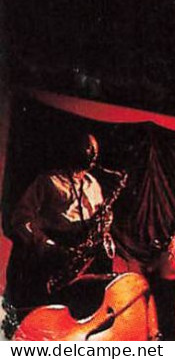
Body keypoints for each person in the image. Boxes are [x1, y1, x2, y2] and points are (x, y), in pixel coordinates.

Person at [3, 134, 120, 317]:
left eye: (94, 154)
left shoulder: (93, 184)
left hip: (81, 257)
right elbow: (20, 219)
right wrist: (47, 246)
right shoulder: (48, 181)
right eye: (88, 153)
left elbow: (99, 218)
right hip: (52, 258)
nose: (91, 159)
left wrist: (105, 222)